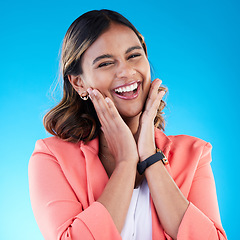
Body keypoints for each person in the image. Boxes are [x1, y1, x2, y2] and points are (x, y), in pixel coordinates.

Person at [28, 9, 227, 240]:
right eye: (105, 63)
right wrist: (125, 162)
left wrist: (150, 159)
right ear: (78, 82)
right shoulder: (52, 157)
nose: (126, 72)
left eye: (134, 56)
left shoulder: (194, 154)